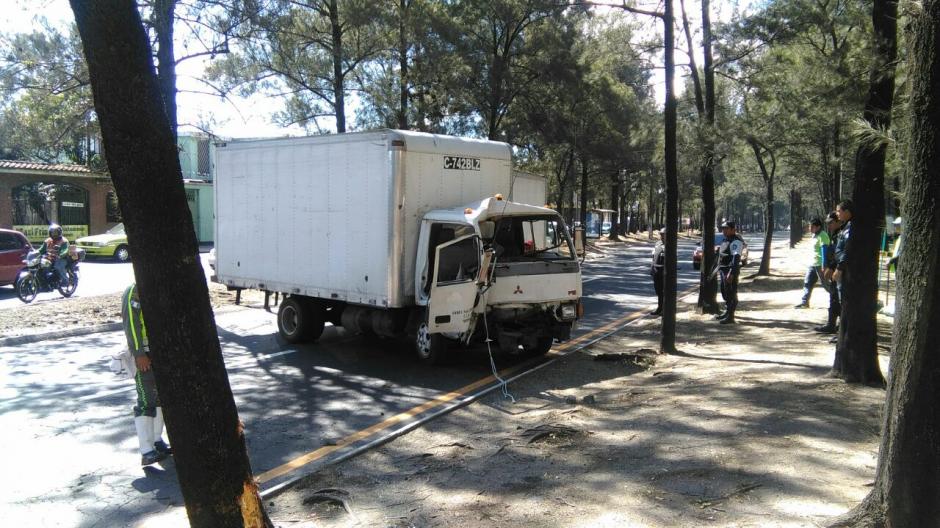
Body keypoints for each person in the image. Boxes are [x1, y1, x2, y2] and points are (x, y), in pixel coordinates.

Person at [122, 283, 172, 466]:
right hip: (145, 354)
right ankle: (146, 449)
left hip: (160, 352)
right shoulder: (134, 291)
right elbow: (132, 325)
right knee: (146, 399)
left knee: (160, 398)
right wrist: (139, 354)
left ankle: (157, 440)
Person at [815, 212, 842, 334]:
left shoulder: (842, 234)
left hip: (839, 271)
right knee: (833, 298)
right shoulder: (835, 234)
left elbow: (839, 255)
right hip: (833, 270)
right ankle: (831, 324)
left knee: (839, 299)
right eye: (828, 223)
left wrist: (832, 268)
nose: (829, 225)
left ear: (838, 221)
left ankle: (841, 328)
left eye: (831, 223)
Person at [795, 218, 831, 308]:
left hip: (820, 265)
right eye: (810, 226)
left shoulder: (823, 235)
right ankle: (805, 302)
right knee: (807, 282)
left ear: (818, 227)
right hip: (812, 264)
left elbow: (824, 251)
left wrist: (824, 264)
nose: (810, 228)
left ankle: (839, 299)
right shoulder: (814, 235)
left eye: (812, 226)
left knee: (826, 284)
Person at [715, 220, 745, 325]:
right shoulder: (726, 240)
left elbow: (735, 258)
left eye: (726, 229)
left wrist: (731, 272)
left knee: (731, 293)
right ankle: (727, 312)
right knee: (725, 292)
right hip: (723, 270)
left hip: (730, 271)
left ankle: (730, 316)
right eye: (723, 229)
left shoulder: (736, 241)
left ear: (733, 229)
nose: (724, 231)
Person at [650, 228, 666, 316]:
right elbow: (653, 256)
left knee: (664, 292)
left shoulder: (669, 245)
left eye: (664, 234)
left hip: (664, 271)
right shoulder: (658, 243)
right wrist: (652, 268)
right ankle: (660, 308)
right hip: (656, 270)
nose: (662, 236)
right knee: (658, 291)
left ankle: (664, 309)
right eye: (661, 234)